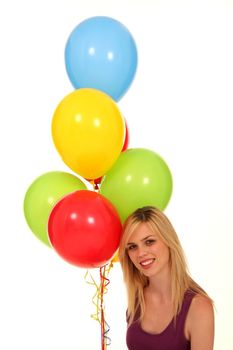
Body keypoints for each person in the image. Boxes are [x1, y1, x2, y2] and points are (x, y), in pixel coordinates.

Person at [118, 206, 214, 350]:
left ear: (168, 242)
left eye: (149, 242)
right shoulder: (137, 299)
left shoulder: (199, 307)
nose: (140, 253)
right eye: (132, 247)